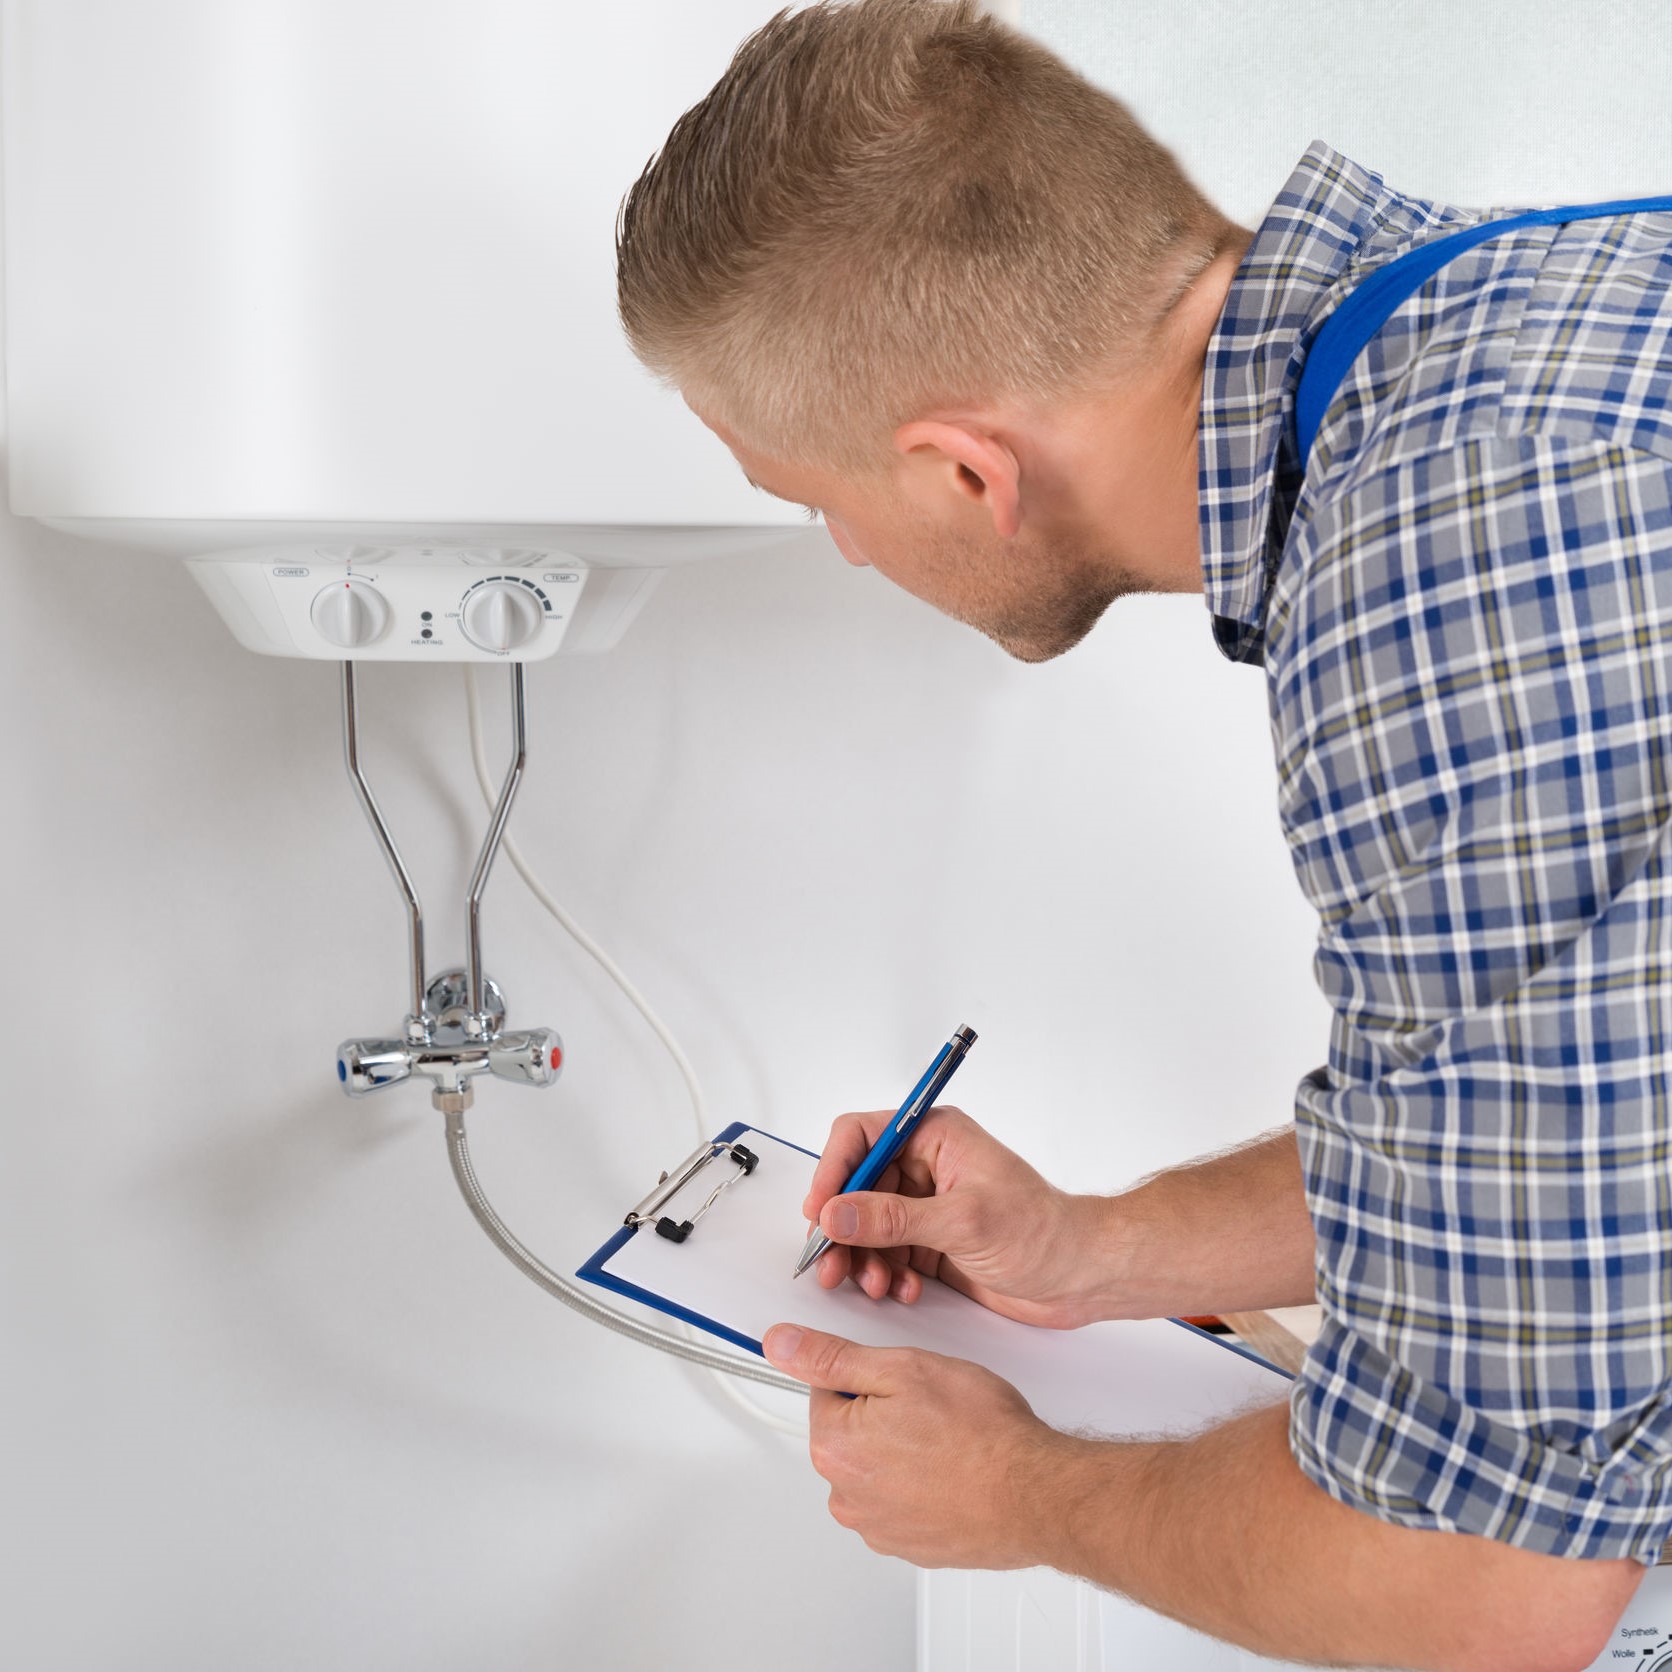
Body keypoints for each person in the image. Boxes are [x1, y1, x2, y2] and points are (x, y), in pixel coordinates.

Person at [613, 2, 1672, 1666]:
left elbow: (1486, 1591)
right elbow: (1572, 1150)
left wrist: (1023, 1494)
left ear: (965, 474)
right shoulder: (1528, 323)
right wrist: (1097, 1252)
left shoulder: (1455, 563)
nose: (842, 557)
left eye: (813, 502)